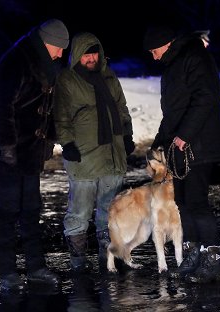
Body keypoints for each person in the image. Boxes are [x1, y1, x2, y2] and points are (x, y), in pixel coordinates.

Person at [0, 18, 69, 291]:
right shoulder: (16, 60)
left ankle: (36, 267)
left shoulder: (48, 64)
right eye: (59, 48)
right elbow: (1, 105)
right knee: (8, 211)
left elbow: (49, 108)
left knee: (31, 210)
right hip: (8, 152)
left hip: (30, 152)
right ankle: (7, 271)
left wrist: (51, 138)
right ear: (47, 43)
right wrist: (7, 146)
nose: (61, 54)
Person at [143, 24, 220, 283]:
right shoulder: (172, 66)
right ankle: (192, 254)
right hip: (180, 148)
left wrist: (185, 135)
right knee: (183, 203)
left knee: (198, 203)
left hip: (199, 146)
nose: (154, 57)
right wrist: (160, 140)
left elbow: (206, 97)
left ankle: (212, 260)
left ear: (168, 43)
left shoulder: (196, 57)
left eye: (155, 51)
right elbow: (173, 112)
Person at [53, 32, 135, 273]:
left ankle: (108, 260)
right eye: (86, 53)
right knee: (79, 212)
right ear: (78, 54)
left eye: (94, 52)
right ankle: (78, 263)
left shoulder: (109, 77)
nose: (91, 58)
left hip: (112, 157)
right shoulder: (67, 80)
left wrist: (128, 135)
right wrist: (67, 144)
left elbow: (121, 108)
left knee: (110, 212)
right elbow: (61, 116)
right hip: (84, 157)